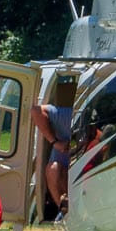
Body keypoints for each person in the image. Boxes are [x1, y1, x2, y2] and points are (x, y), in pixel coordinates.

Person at [35, 82, 76, 215]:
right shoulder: (65, 114)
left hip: (81, 164)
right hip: (63, 164)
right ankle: (63, 210)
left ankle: (71, 208)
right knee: (53, 169)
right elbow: (35, 110)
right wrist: (54, 142)